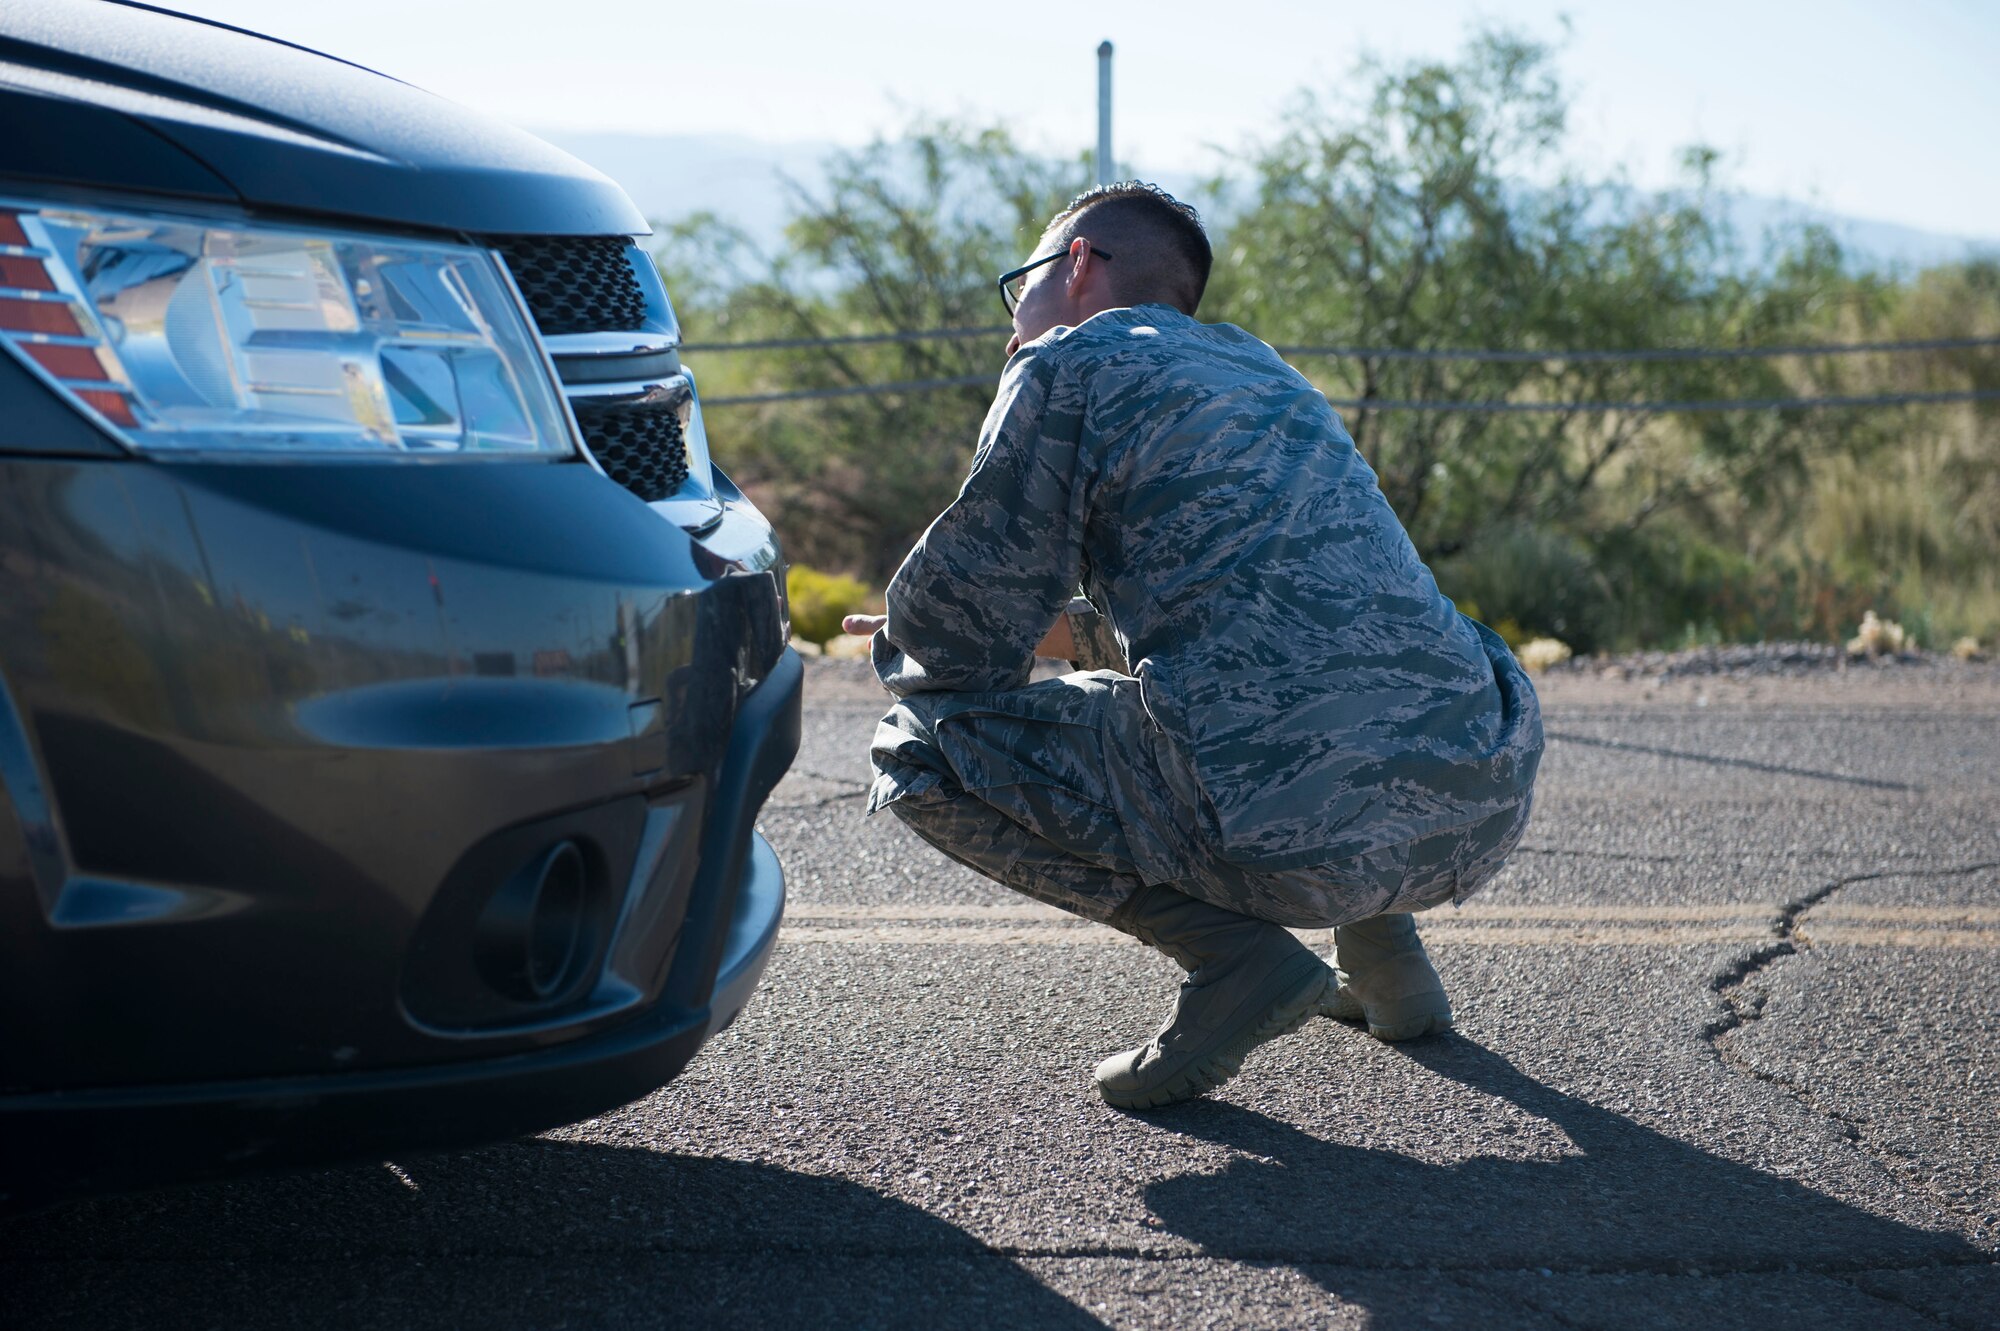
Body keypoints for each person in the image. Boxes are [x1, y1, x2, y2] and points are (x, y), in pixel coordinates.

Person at [839, 182, 1543, 1111]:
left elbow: (959, 642)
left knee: (916, 747)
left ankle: (1235, 960)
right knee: (1313, 673)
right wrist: (1038, 631)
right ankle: (1389, 963)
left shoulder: (1063, 363)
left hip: (1302, 829)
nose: (1014, 321)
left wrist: (914, 638)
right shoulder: (1262, 368)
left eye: (1021, 286)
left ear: (1077, 264)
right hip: (1476, 790)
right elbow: (1258, 611)